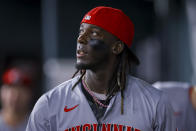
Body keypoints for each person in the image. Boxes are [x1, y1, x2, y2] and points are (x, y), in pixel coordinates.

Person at [26, 6, 176, 131]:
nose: (80, 39)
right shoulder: (50, 103)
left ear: (116, 47)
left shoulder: (155, 103)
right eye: (81, 32)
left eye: (93, 34)